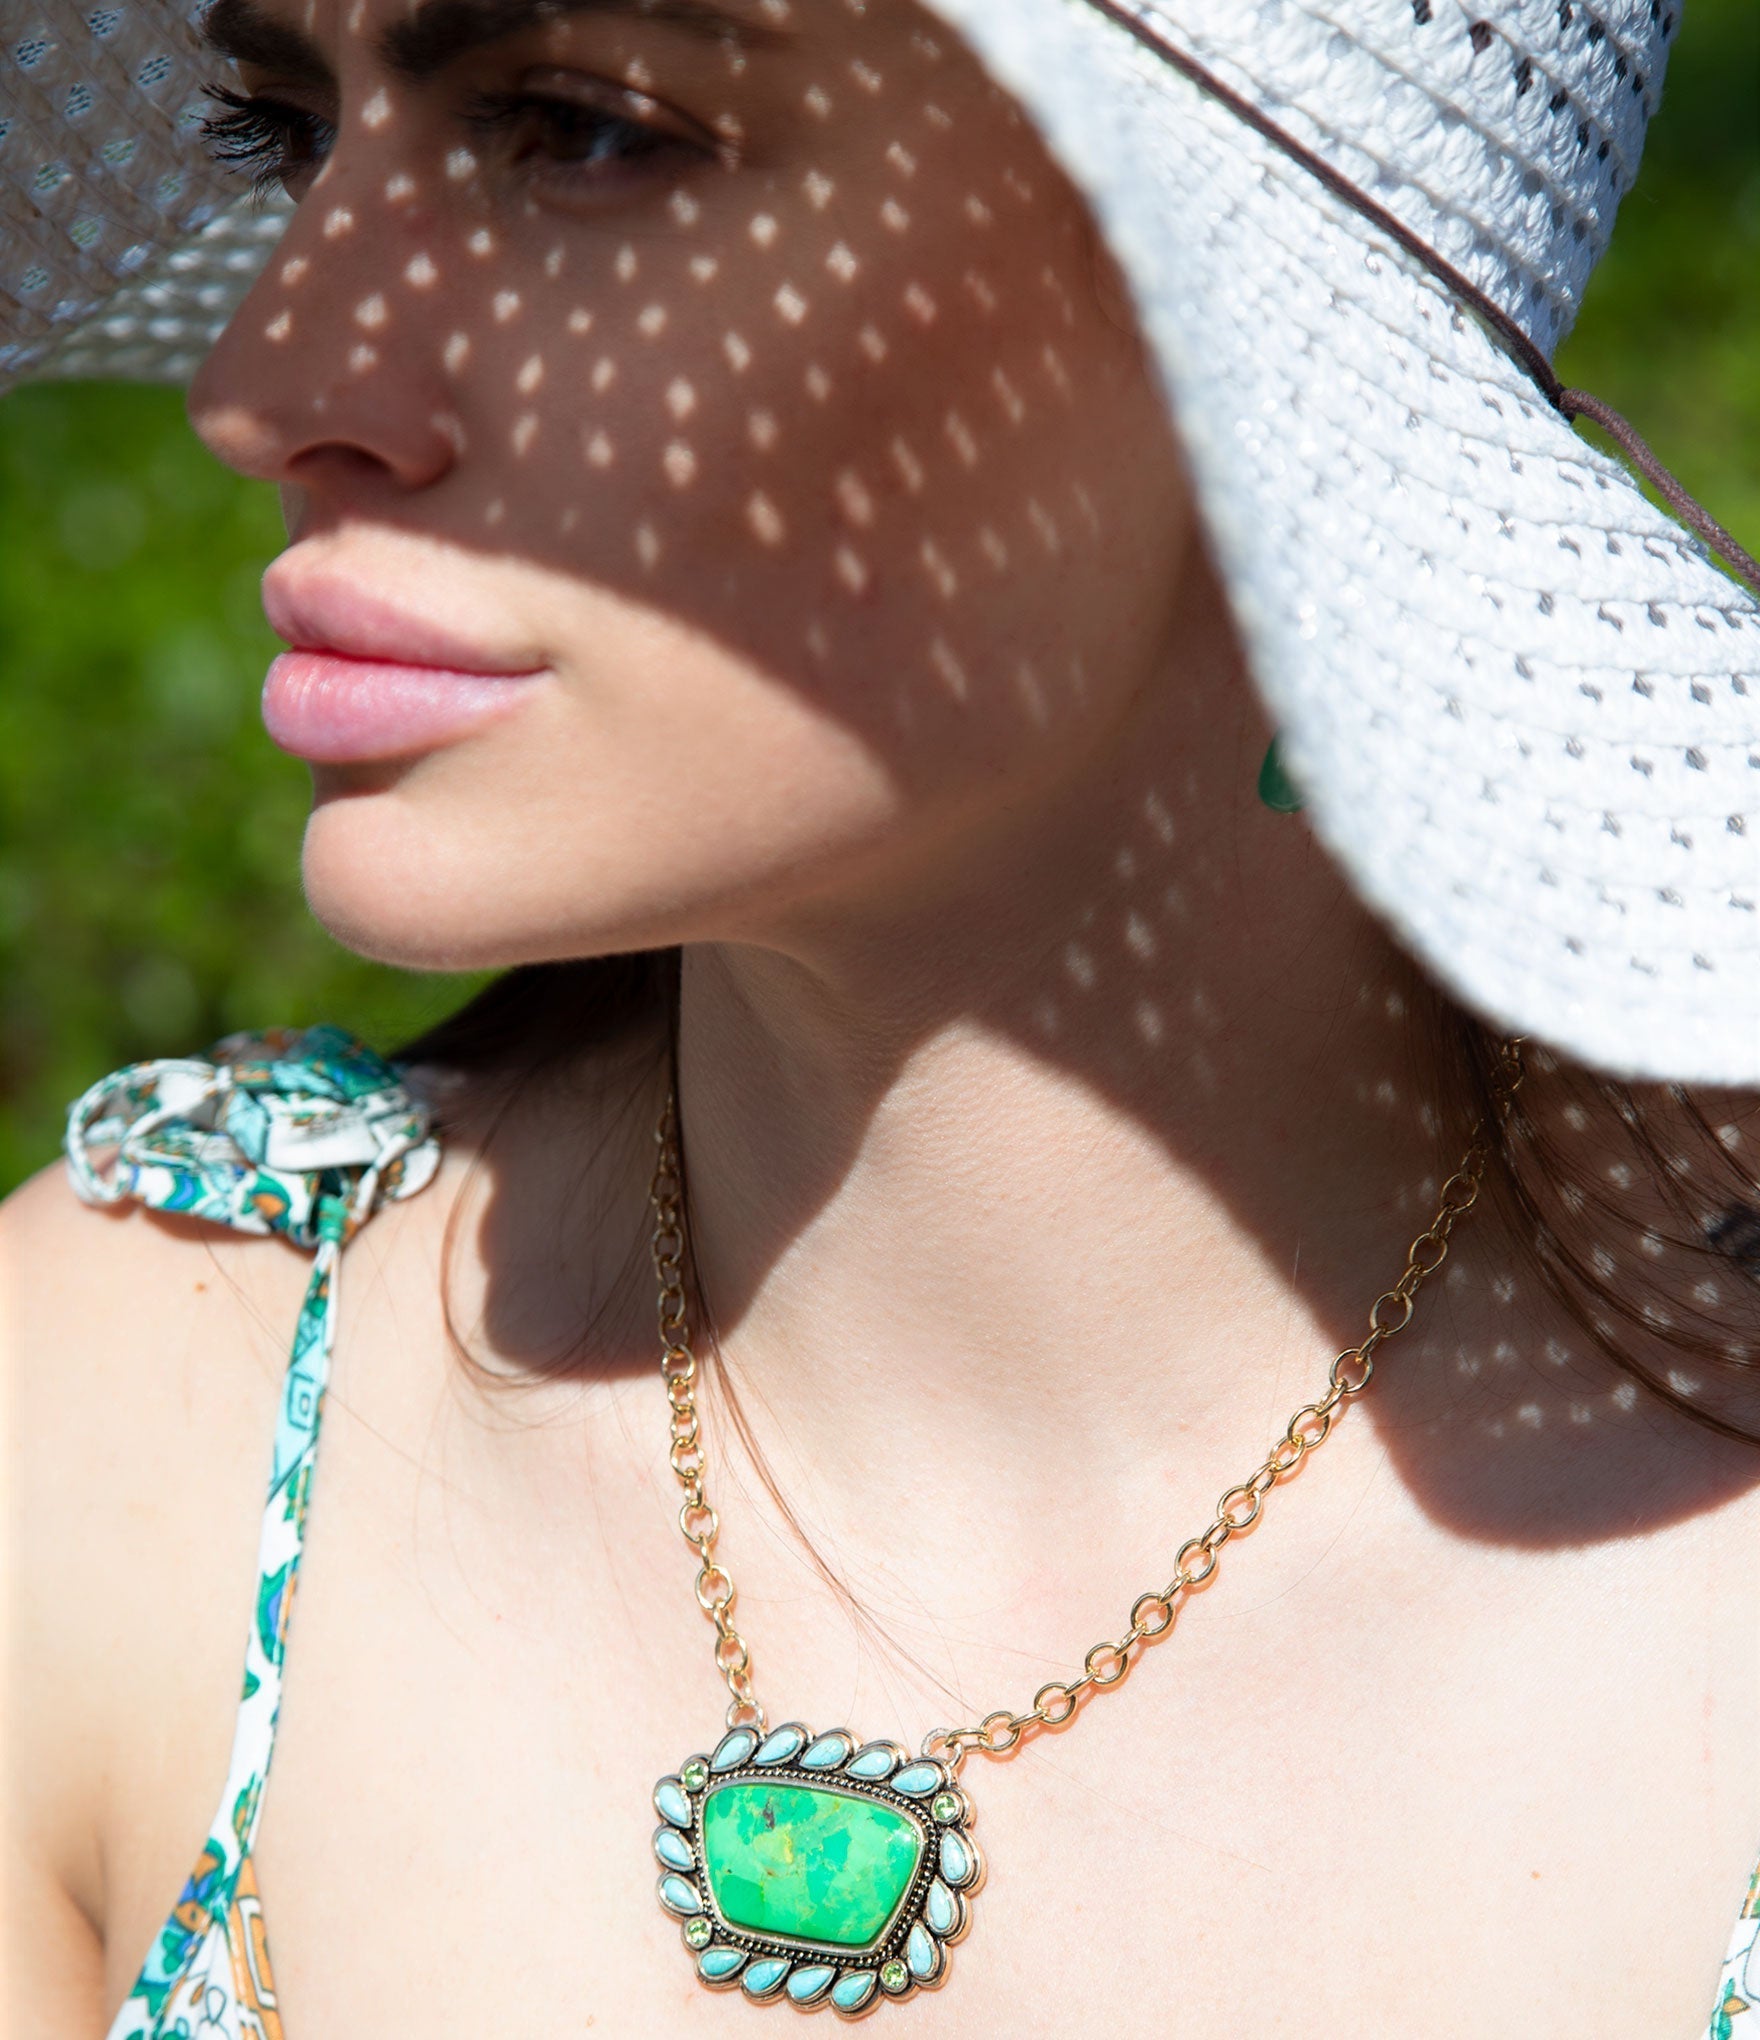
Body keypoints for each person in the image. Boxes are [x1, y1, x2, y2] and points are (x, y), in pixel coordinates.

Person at [2, 0, 1756, 2033]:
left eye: (584, 132)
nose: (272, 375)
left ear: (1246, 301)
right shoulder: (105, 1453)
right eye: (283, 131)